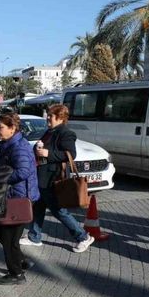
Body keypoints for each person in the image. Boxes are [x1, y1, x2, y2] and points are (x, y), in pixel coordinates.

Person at [20, 104, 95, 253]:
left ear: (60, 118)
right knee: (38, 206)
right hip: (42, 176)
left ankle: (83, 237)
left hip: (52, 178)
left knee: (59, 211)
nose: (47, 118)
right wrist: (37, 150)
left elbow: (70, 154)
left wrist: (48, 153)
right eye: (48, 115)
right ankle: (34, 237)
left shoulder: (66, 133)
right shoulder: (50, 131)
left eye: (50, 116)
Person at [0, 113, 40, 285]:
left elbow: (23, 171)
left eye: (1, 127)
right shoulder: (10, 144)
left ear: (12, 128)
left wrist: (1, 178)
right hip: (15, 195)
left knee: (9, 237)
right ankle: (22, 261)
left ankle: (17, 274)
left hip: (19, 199)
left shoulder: (18, 147)